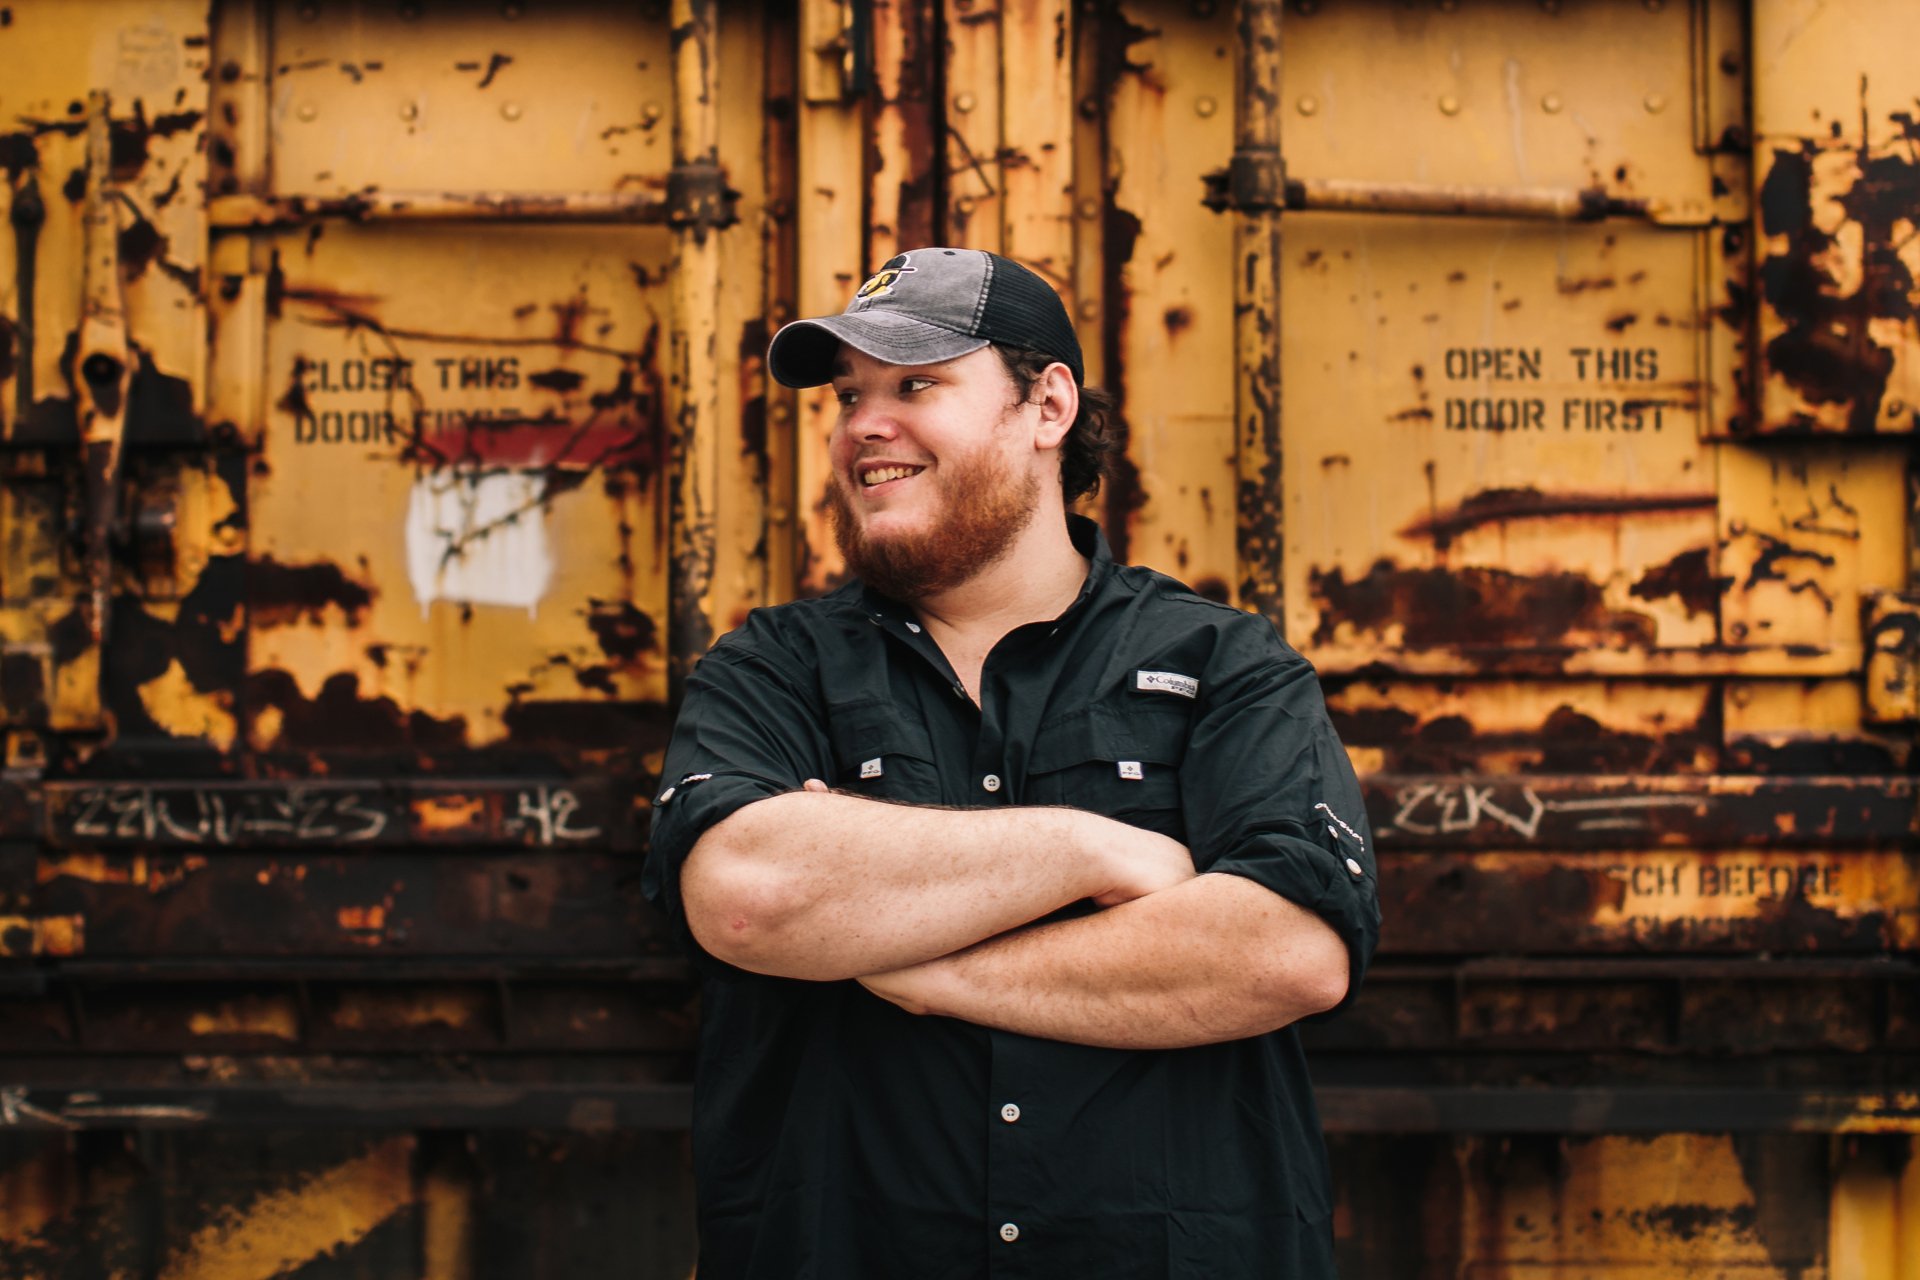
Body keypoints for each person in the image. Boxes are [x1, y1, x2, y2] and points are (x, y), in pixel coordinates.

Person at [642, 247, 1380, 1278]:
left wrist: (916, 962)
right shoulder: (774, 667)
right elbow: (748, 894)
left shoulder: (1223, 663)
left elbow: (1286, 948)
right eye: (852, 394)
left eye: (916, 383)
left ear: (1048, 406)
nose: (864, 424)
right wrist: (1090, 849)